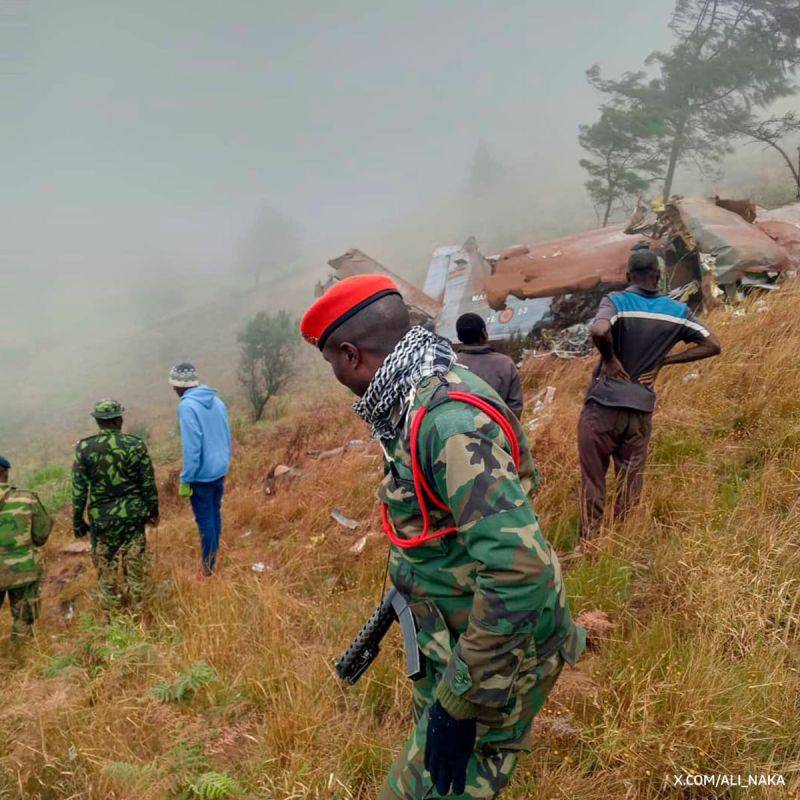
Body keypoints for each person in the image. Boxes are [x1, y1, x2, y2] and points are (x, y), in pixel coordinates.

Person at [300, 275, 584, 800]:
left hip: (498, 660)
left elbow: (521, 570)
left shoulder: (447, 423)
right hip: (458, 641)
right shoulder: (415, 396)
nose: (336, 376)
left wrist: (458, 699)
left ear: (351, 355)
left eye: (332, 365)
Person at [578, 245, 722, 539]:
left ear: (629, 275)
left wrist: (609, 359)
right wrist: (665, 360)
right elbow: (713, 345)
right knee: (631, 481)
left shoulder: (616, 300)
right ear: (658, 276)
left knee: (593, 480)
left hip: (603, 406)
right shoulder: (677, 311)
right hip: (640, 410)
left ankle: (590, 545)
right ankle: (623, 542)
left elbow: (599, 330)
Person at [72, 400, 159, 613]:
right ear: (119, 419)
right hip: (133, 517)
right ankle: (138, 617)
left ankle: (112, 621)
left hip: (102, 521)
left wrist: (77, 522)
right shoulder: (135, 445)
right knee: (134, 569)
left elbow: (78, 490)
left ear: (98, 422)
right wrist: (153, 511)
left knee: (106, 571)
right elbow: (147, 483)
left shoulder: (85, 448)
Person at [169, 363, 232, 578]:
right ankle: (211, 560)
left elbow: (192, 446)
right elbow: (226, 435)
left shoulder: (187, 407)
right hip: (219, 470)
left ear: (180, 386)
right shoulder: (216, 401)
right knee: (214, 515)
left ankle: (207, 570)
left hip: (201, 476)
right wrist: (225, 463)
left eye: (174, 386)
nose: (174, 391)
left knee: (205, 521)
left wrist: (186, 478)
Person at [0, 454, 52, 639]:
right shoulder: (27, 499)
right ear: (5, 472)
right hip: (23, 570)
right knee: (23, 619)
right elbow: (41, 534)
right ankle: (22, 661)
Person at [455, 313, 524, 417]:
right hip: (498, 431)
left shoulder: (450, 364)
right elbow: (515, 406)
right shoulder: (505, 363)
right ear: (484, 333)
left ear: (459, 337)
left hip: (458, 430)